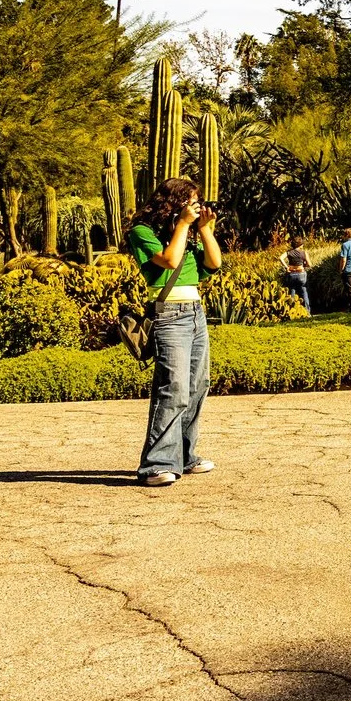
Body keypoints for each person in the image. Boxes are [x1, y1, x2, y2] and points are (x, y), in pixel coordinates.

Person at [130, 177, 222, 487]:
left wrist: (205, 229)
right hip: (169, 315)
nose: (196, 208)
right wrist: (183, 226)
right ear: (172, 203)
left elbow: (215, 263)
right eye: (190, 202)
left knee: (198, 385)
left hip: (195, 313)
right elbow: (169, 261)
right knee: (174, 388)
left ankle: (184, 456)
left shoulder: (189, 234)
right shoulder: (142, 232)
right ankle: (155, 465)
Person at [279, 236, 311, 312]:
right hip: (301, 274)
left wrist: (286, 267)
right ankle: (307, 312)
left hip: (292, 274)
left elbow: (280, 258)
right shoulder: (304, 253)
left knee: (292, 291)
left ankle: (290, 310)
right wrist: (304, 265)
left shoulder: (289, 252)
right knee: (304, 291)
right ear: (300, 245)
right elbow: (309, 264)